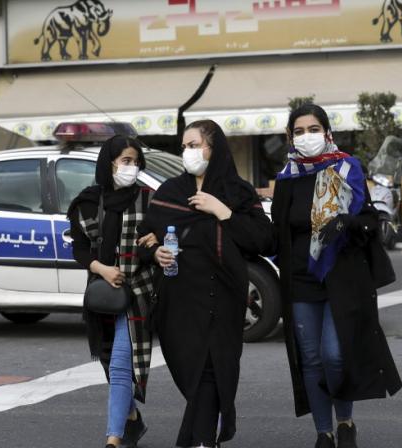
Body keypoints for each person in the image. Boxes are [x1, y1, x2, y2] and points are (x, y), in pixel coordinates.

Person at [268, 103, 402, 448]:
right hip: (300, 280)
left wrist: (347, 221)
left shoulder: (347, 168)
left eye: (313, 129)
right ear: (290, 137)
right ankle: (324, 433)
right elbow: (277, 232)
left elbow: (371, 222)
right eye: (298, 131)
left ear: (327, 133)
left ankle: (346, 421)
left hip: (341, 278)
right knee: (311, 359)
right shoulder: (287, 178)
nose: (306, 137)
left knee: (334, 355)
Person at [140, 120, 272, 447]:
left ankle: (202, 442)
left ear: (214, 148)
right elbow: (143, 240)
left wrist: (222, 211)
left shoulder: (237, 192)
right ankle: (198, 439)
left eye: (195, 144)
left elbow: (264, 241)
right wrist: (156, 253)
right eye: (184, 146)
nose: (188, 152)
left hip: (223, 296)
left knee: (214, 369)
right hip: (179, 299)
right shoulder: (170, 192)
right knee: (192, 372)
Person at [67, 135, 158, 448]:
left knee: (120, 363)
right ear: (109, 164)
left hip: (137, 294)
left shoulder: (149, 199)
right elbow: (79, 249)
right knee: (109, 362)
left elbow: (157, 245)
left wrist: (152, 244)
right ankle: (131, 419)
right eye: (125, 161)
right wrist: (102, 269)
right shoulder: (88, 202)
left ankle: (113, 439)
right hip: (101, 295)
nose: (131, 167)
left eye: (135, 161)